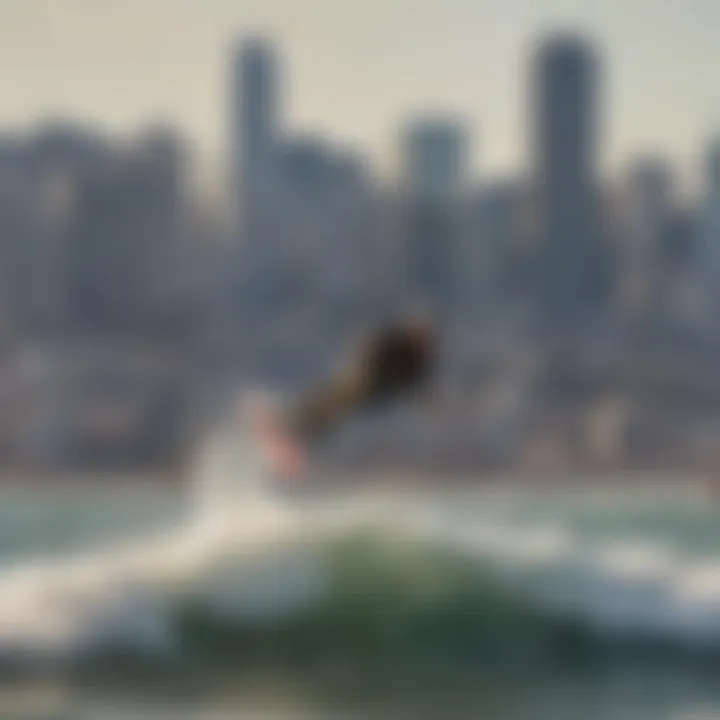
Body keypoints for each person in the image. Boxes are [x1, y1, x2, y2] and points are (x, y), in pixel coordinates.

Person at [248, 313, 438, 478]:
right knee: (327, 406)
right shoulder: (394, 341)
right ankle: (282, 427)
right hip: (360, 381)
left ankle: (288, 435)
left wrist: (423, 400)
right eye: (421, 337)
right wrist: (364, 369)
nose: (424, 344)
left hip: (367, 391)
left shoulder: (418, 361)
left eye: (425, 340)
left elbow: (417, 387)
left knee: (329, 412)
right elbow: (367, 346)